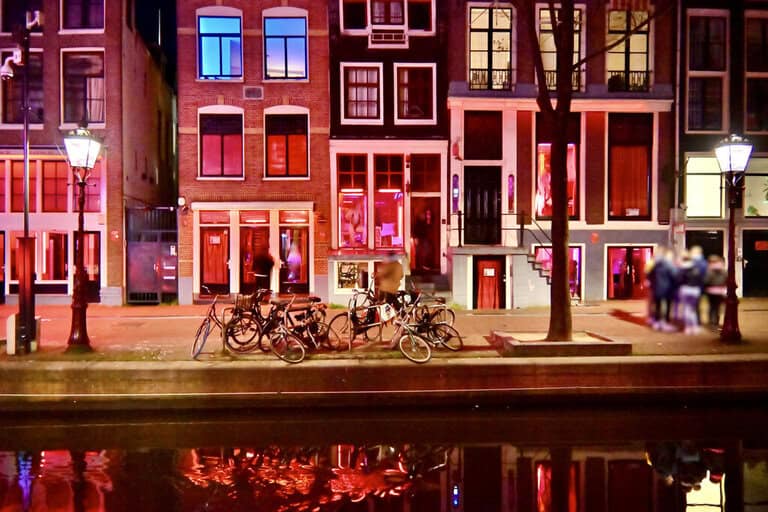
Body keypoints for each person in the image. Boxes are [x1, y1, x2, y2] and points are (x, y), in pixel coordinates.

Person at [703, 255, 727, 328]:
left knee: (711, 307)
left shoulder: (709, 270)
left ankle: (711, 322)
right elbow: (726, 279)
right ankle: (716, 321)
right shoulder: (723, 270)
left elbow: (706, 281)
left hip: (711, 291)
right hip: (720, 291)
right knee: (717, 307)